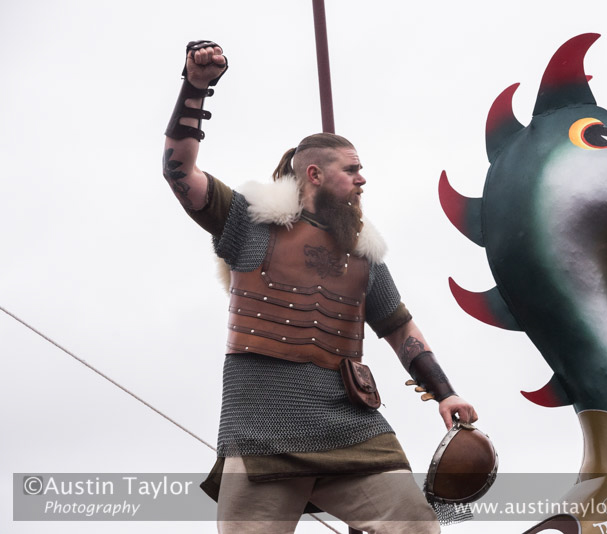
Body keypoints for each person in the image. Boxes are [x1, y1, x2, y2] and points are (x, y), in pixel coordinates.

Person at [162, 41, 478, 533]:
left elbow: (400, 327)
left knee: (415, 525)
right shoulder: (250, 222)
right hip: (262, 426)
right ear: (314, 173)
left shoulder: (361, 251)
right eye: (351, 169)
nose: (362, 179)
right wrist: (196, 87)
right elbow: (180, 170)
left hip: (351, 424)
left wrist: (445, 393)